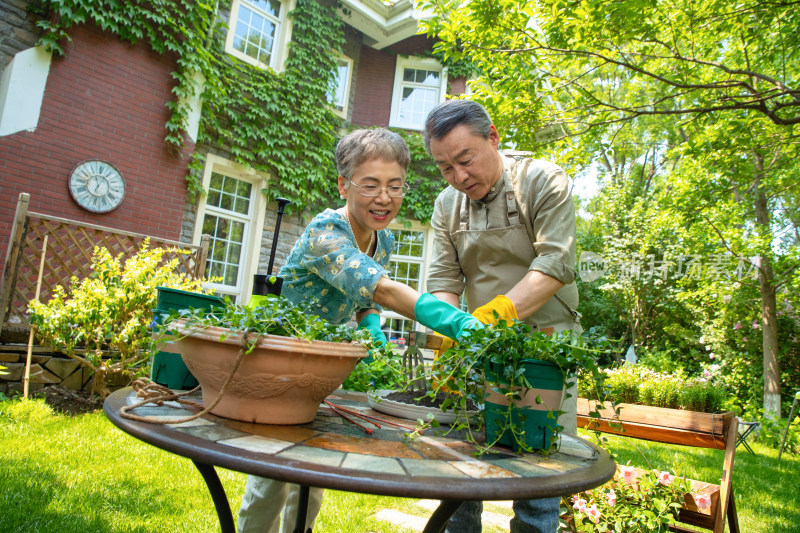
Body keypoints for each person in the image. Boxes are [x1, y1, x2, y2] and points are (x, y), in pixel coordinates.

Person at [236, 127, 481, 533]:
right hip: (278, 361)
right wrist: (453, 320)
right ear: (343, 184)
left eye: (394, 186)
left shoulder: (380, 239)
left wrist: (370, 327)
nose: (383, 198)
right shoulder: (325, 233)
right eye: (370, 185)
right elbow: (380, 288)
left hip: (321, 365)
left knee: (312, 469)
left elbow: (364, 294)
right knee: (273, 473)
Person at [423, 100, 582, 533]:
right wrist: (446, 335)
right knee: (461, 467)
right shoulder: (446, 205)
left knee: (539, 472)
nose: (459, 177)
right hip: (476, 347)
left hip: (545, 345)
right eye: (445, 168)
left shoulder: (542, 181)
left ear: (492, 136)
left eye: (465, 160)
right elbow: (443, 278)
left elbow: (555, 264)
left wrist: (495, 316)